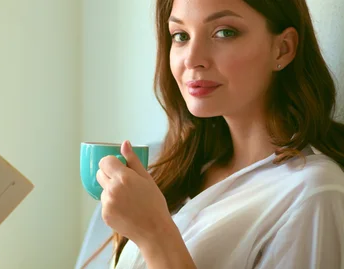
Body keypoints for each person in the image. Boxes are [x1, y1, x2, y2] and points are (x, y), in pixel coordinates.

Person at [87, 0, 344, 268]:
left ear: (283, 48)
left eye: (224, 32)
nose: (192, 58)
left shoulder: (313, 192)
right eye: (181, 36)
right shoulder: (184, 171)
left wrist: (155, 235)